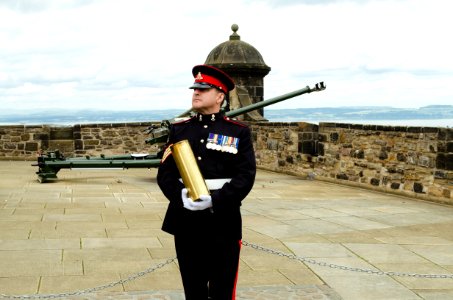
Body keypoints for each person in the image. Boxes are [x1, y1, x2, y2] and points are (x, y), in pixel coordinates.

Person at [157, 64, 256, 300]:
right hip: (186, 220)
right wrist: (179, 194)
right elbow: (165, 173)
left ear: (220, 96)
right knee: (193, 289)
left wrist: (214, 200)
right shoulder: (179, 130)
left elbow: (245, 176)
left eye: (204, 89)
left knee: (222, 289)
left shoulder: (238, 131)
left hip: (222, 220)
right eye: (195, 89)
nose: (196, 93)